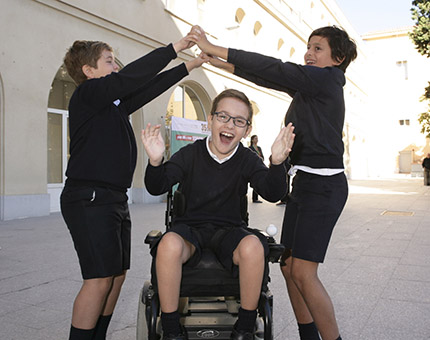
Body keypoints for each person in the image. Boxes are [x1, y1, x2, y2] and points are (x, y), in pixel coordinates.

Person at [190, 25, 357, 340]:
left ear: (338, 58)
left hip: (324, 186)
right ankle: (308, 335)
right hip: (304, 185)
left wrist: (216, 47)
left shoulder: (327, 80)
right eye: (308, 46)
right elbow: (269, 77)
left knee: (304, 273)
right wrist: (221, 64)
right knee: (289, 266)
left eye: (317, 48)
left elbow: (276, 69)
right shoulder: (311, 87)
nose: (309, 53)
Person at [60, 31, 206, 340]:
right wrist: (174, 47)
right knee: (99, 278)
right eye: (109, 61)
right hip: (89, 197)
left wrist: (188, 66)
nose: (116, 67)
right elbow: (131, 78)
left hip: (113, 198)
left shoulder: (111, 103)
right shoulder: (88, 94)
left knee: (116, 276)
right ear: (88, 71)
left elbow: (146, 87)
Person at [141, 89, 295, 340]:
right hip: (190, 231)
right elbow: (157, 186)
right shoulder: (191, 153)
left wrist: (277, 164)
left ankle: (244, 328)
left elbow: (271, 192)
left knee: (254, 247)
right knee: (167, 244)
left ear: (246, 130)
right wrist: (156, 161)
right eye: (223, 116)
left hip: (230, 231)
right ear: (210, 120)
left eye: (239, 121)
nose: (229, 125)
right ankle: (171, 330)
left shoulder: (246, 158)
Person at [249, 135, 264, 203]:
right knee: (253, 181)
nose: (256, 140)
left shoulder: (259, 148)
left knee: (258, 180)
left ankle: (256, 197)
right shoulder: (250, 148)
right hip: (252, 166)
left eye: (257, 138)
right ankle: (254, 198)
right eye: (255, 138)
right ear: (252, 140)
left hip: (259, 165)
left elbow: (262, 155)